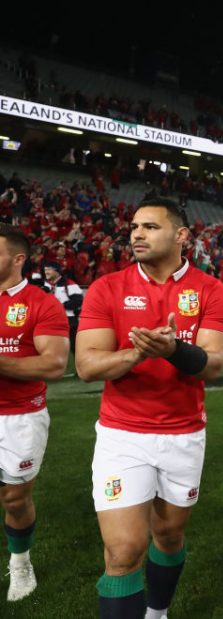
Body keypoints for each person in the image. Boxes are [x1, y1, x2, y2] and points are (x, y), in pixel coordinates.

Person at [75, 198, 223, 619]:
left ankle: (157, 613)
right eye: (133, 227)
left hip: (183, 435)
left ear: (181, 235)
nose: (137, 234)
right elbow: (86, 366)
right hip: (122, 436)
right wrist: (139, 353)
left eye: (149, 226)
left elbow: (214, 364)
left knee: (169, 535)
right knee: (123, 551)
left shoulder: (210, 290)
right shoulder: (107, 287)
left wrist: (173, 350)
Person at [0, 225, 69, 602]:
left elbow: (54, 364)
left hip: (19, 417)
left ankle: (20, 562)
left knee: (15, 498)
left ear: (18, 259)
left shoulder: (41, 304)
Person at [42, 261, 84, 352]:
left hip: (69, 320)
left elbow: (78, 302)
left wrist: (59, 305)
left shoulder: (69, 284)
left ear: (57, 271)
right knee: (52, 348)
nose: (46, 272)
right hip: (51, 320)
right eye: (45, 270)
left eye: (49, 269)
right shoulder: (46, 285)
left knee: (75, 347)